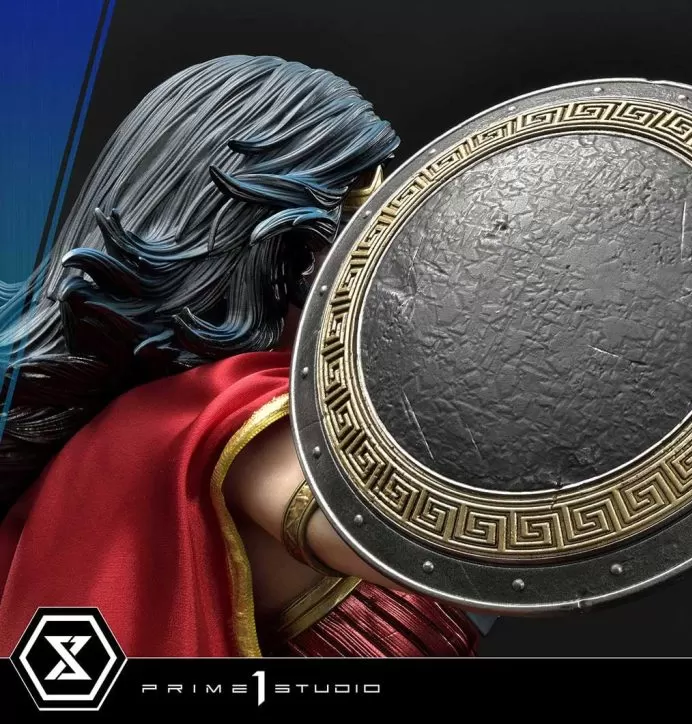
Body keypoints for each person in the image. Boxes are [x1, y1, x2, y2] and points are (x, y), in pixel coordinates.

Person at [0, 55, 481, 657]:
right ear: (290, 243)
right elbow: (488, 557)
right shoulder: (229, 418)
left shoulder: (126, 434)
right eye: (360, 218)